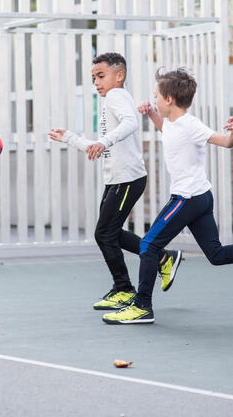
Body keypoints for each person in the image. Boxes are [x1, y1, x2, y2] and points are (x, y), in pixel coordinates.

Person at [103, 67, 233, 325]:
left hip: (186, 199)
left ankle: (142, 306)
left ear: (169, 99)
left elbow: (224, 142)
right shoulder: (173, 122)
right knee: (216, 254)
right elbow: (168, 133)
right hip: (200, 197)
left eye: (156, 96)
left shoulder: (191, 125)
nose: (153, 99)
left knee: (148, 246)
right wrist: (151, 114)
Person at [48, 52, 182, 310]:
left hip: (127, 179)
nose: (97, 82)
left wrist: (104, 141)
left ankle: (124, 288)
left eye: (101, 76)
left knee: (104, 233)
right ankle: (164, 257)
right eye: (93, 78)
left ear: (119, 76)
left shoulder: (116, 96)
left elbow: (131, 123)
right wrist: (71, 138)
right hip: (119, 180)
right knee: (111, 233)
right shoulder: (113, 100)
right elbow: (101, 146)